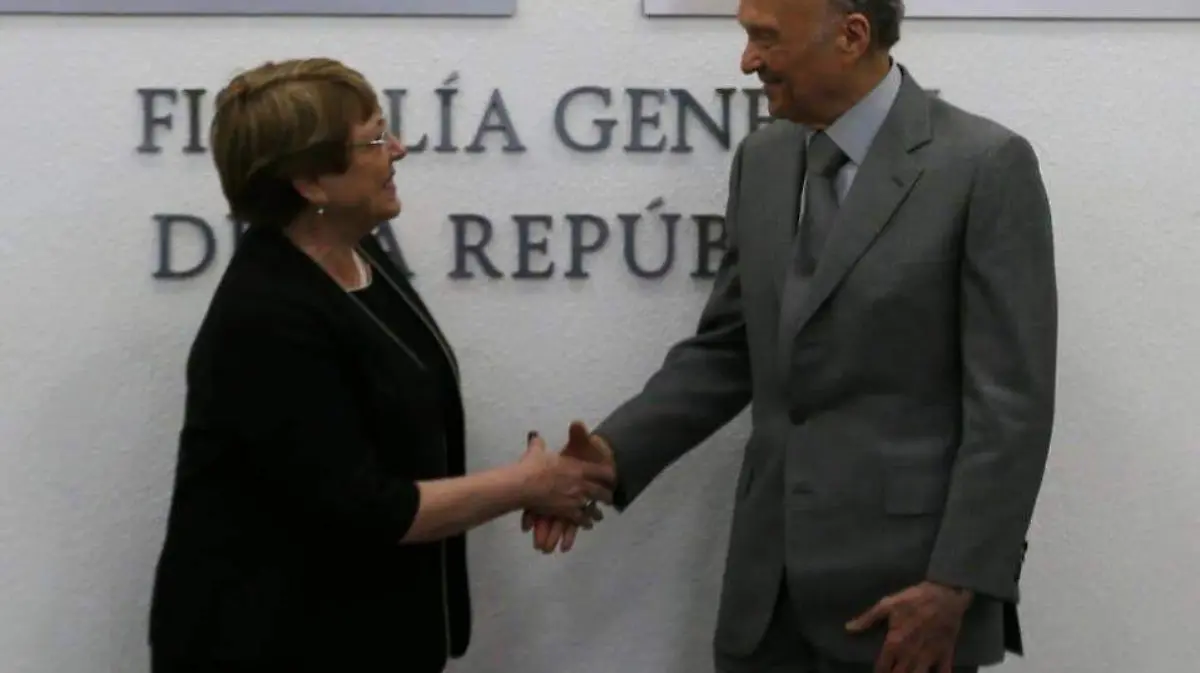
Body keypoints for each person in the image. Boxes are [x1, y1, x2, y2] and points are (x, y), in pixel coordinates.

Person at [525, 1, 1057, 672]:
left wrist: (958, 584)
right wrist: (607, 455)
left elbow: (1011, 408)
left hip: (907, 611)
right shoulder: (764, 159)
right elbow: (728, 349)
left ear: (852, 35)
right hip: (764, 604)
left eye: (763, 38)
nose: (747, 60)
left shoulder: (984, 166)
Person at [146, 57, 615, 673]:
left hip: (366, 636)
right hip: (270, 645)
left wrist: (541, 483)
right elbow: (369, 507)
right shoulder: (263, 316)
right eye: (372, 139)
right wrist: (524, 485)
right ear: (310, 183)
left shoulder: (358, 256)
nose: (397, 148)